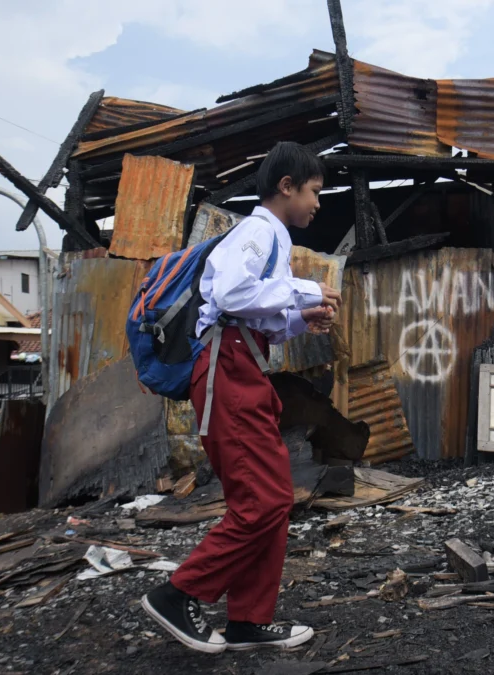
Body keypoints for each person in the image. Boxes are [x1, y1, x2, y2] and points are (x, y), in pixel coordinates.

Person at [140, 141, 340, 654]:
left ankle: (250, 619)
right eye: (315, 191)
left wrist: (301, 317)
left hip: (243, 364)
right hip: (225, 370)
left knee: (271, 501)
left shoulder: (270, 238)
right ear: (286, 187)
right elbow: (229, 296)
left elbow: (253, 317)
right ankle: (178, 592)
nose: (319, 202)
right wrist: (308, 293)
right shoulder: (256, 230)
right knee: (264, 499)